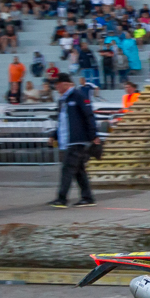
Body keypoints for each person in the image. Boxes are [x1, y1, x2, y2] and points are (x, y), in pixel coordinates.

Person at [48, 72, 99, 208]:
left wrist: (93, 135)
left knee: (67, 168)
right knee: (78, 170)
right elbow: (61, 122)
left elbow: (89, 115)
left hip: (76, 140)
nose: (56, 88)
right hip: (67, 140)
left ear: (65, 84)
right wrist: (54, 135)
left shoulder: (78, 96)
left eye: (57, 85)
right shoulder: (62, 100)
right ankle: (87, 197)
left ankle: (62, 198)